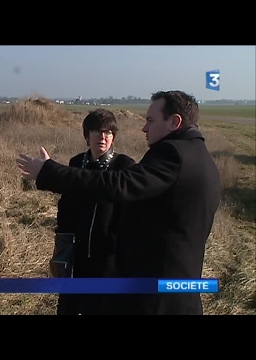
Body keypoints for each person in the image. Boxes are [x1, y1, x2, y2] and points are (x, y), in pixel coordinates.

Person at [17, 90, 222, 315]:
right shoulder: (201, 157)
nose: (145, 128)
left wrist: (49, 171)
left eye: (151, 121)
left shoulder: (173, 154)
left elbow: (119, 185)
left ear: (174, 122)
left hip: (158, 298)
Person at [54, 109, 135, 315]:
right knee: (69, 306)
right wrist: (62, 242)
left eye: (108, 132)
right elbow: (66, 206)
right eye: (97, 131)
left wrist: (116, 244)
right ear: (87, 135)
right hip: (76, 253)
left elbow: (128, 212)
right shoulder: (76, 163)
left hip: (107, 255)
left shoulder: (124, 165)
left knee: (103, 306)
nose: (103, 137)